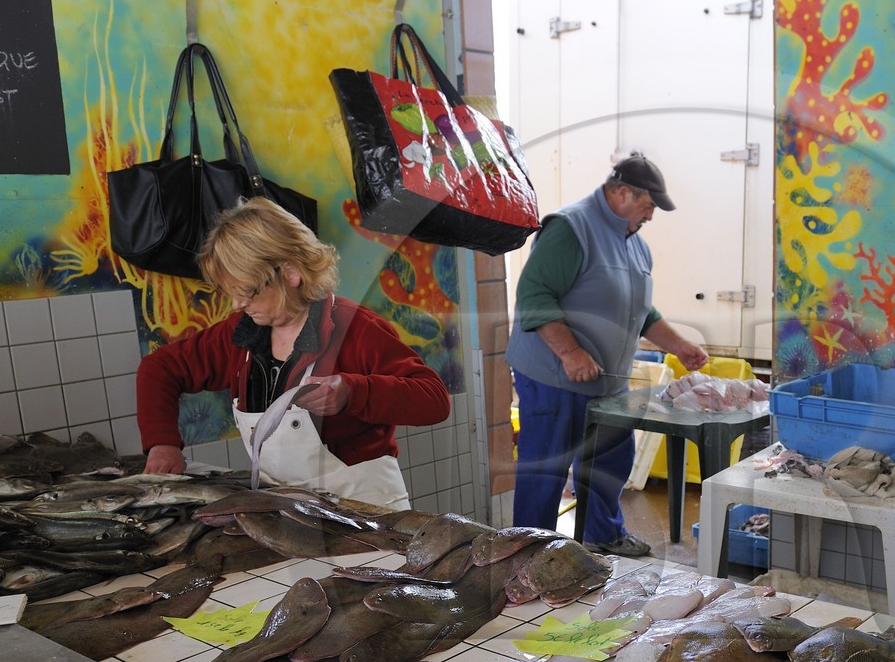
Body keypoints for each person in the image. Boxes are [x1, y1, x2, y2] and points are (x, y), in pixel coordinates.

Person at [136, 198, 451, 509]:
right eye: (231, 292)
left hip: (367, 512)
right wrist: (162, 443)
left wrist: (354, 392)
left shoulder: (357, 329)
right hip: (287, 512)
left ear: (290, 274)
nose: (237, 305)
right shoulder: (240, 335)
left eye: (248, 291)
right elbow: (159, 368)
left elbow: (434, 401)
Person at [506, 154, 710, 557]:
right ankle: (530, 552)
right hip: (554, 375)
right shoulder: (570, 228)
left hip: (607, 380)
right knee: (546, 468)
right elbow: (534, 297)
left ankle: (603, 533)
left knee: (611, 458)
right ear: (621, 193)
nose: (651, 216)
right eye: (648, 205)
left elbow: (641, 311)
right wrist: (570, 352)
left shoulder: (636, 245)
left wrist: (680, 346)